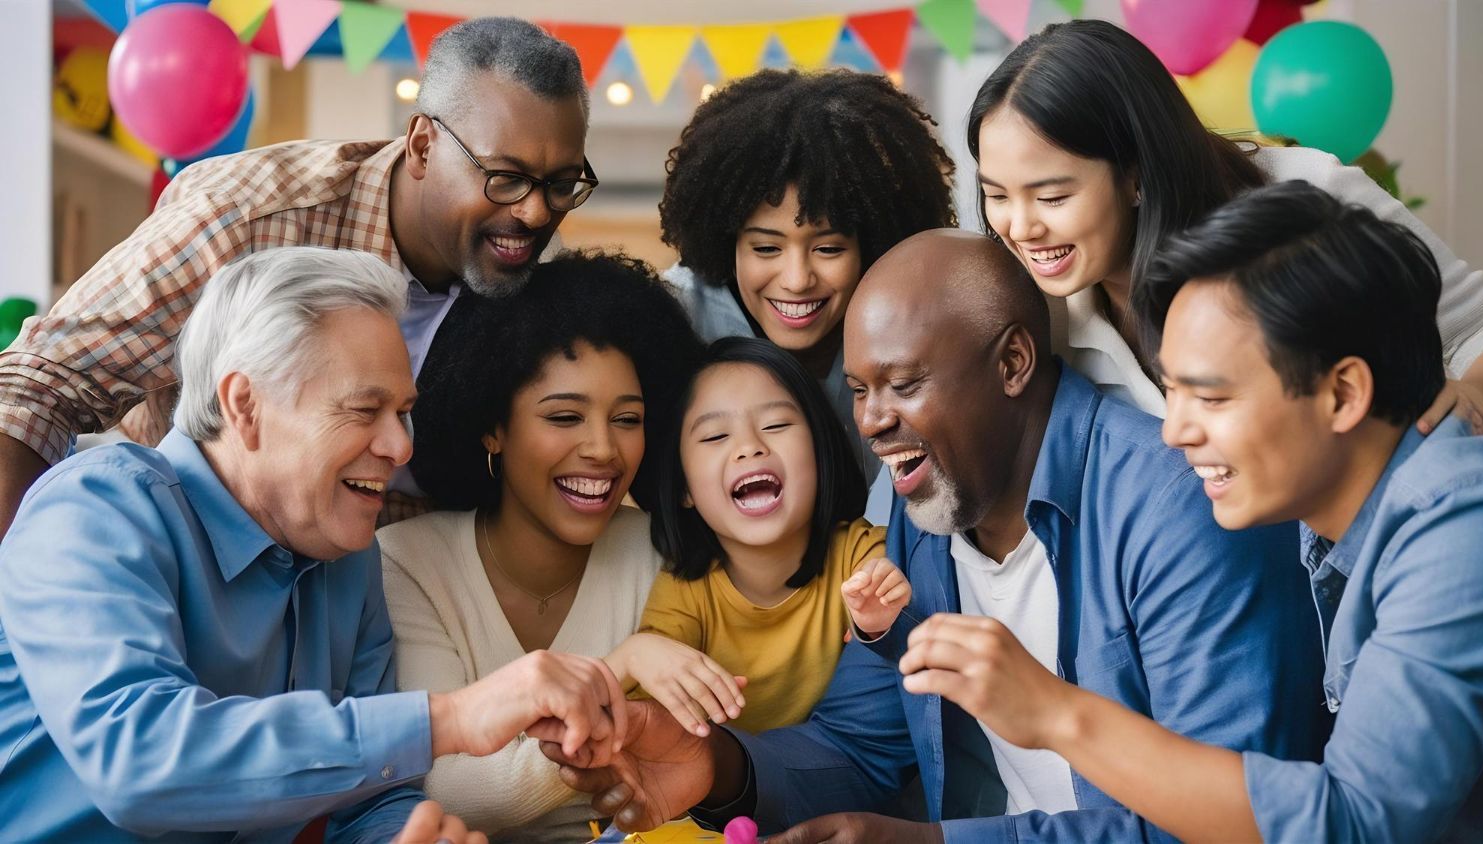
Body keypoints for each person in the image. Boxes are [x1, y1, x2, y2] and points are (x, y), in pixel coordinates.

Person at [538, 230, 1329, 843]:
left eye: (904, 385)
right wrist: (714, 766)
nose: (874, 421)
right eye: (859, 392)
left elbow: (1230, 821)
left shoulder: (1178, 512)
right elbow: (861, 744)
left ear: (1014, 360)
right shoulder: (925, 519)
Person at [903, 182, 1483, 844]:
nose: (1174, 432)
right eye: (1173, 392)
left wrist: (1055, 713)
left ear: (1344, 393)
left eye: (1212, 400)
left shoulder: (1461, 523)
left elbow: (1354, 823)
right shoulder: (1341, 511)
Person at [0, 248, 626, 842]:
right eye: (364, 410)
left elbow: (373, 800)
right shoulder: (96, 508)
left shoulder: (348, 558)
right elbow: (138, 760)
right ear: (245, 406)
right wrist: (451, 718)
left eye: (403, 411)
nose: (400, 447)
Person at [0, 17, 599, 536]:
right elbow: (35, 388)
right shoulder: (248, 220)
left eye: (561, 184)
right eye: (505, 176)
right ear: (422, 144)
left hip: (387, 614)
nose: (536, 212)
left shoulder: (532, 268)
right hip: (207, 587)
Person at [967, 19, 1483, 433]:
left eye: (1053, 196)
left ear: (1138, 176)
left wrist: (1478, 396)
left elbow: (1482, 327)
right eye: (996, 195)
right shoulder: (1038, 315)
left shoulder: (1307, 197)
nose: (1021, 227)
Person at [377, 252, 702, 842]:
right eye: (565, 416)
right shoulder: (407, 562)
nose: (603, 449)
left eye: (627, 419)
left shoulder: (664, 552)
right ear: (492, 427)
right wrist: (617, 672)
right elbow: (446, 792)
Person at [659, 69, 957, 484]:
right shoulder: (672, 318)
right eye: (766, 248)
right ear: (726, 243)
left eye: (829, 248)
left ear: (871, 247)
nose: (797, 279)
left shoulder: (912, 322)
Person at [607, 337, 908, 735]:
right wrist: (631, 657)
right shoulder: (687, 591)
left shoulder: (859, 551)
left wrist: (878, 615)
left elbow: (890, 590)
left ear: (821, 452)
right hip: (723, 788)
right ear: (684, 488)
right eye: (715, 437)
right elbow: (626, 699)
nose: (749, 447)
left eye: (776, 425)